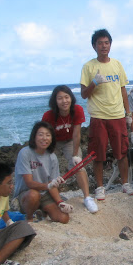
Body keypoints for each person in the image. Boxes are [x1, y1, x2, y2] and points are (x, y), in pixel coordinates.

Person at [80, 28, 133, 200]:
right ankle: (99, 187)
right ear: (94, 46)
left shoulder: (117, 64)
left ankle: (125, 184)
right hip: (98, 116)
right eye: (100, 43)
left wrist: (128, 113)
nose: (104, 46)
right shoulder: (88, 67)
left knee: (122, 151)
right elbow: (83, 94)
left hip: (117, 115)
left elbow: (123, 91)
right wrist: (94, 83)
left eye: (106, 43)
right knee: (98, 154)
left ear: (110, 45)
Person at [42, 85, 98, 213]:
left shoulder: (77, 110)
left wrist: (75, 155)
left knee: (78, 166)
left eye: (66, 97)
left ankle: (87, 198)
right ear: (55, 101)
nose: (64, 101)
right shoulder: (49, 115)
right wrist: (48, 154)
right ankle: (47, 197)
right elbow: (46, 136)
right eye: (60, 98)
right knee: (47, 167)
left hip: (70, 141)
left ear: (71, 98)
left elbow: (76, 134)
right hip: (53, 142)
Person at [13, 121, 73, 223]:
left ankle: (41, 210)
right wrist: (48, 186)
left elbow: (53, 184)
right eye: (40, 135)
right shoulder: (25, 153)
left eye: (48, 135)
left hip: (44, 194)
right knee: (34, 195)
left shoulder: (52, 157)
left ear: (51, 139)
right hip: (26, 194)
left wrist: (60, 202)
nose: (44, 138)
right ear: (34, 137)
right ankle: (29, 218)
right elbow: (29, 183)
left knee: (63, 218)